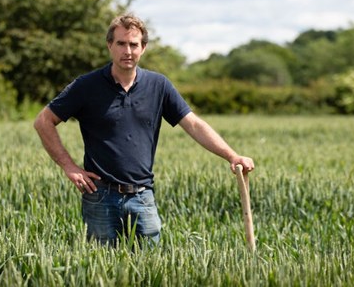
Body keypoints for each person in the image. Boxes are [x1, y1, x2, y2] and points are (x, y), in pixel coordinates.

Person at [34, 13, 255, 246]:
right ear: (110, 45)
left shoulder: (158, 85)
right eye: (121, 43)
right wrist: (68, 166)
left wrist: (231, 155)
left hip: (143, 196)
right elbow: (43, 121)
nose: (127, 51)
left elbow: (193, 124)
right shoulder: (86, 86)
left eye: (133, 44)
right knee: (100, 270)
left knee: (149, 267)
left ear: (143, 48)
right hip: (100, 196)